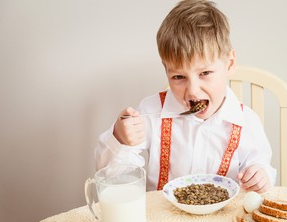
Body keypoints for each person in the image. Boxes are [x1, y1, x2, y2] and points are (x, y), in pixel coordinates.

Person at [95, 0, 276, 193]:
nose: (193, 91)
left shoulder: (247, 122)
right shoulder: (151, 113)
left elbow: (261, 167)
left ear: (229, 64)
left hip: (221, 220)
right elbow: (111, 176)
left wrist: (259, 176)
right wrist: (120, 139)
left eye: (205, 73)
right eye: (179, 77)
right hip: (162, 219)